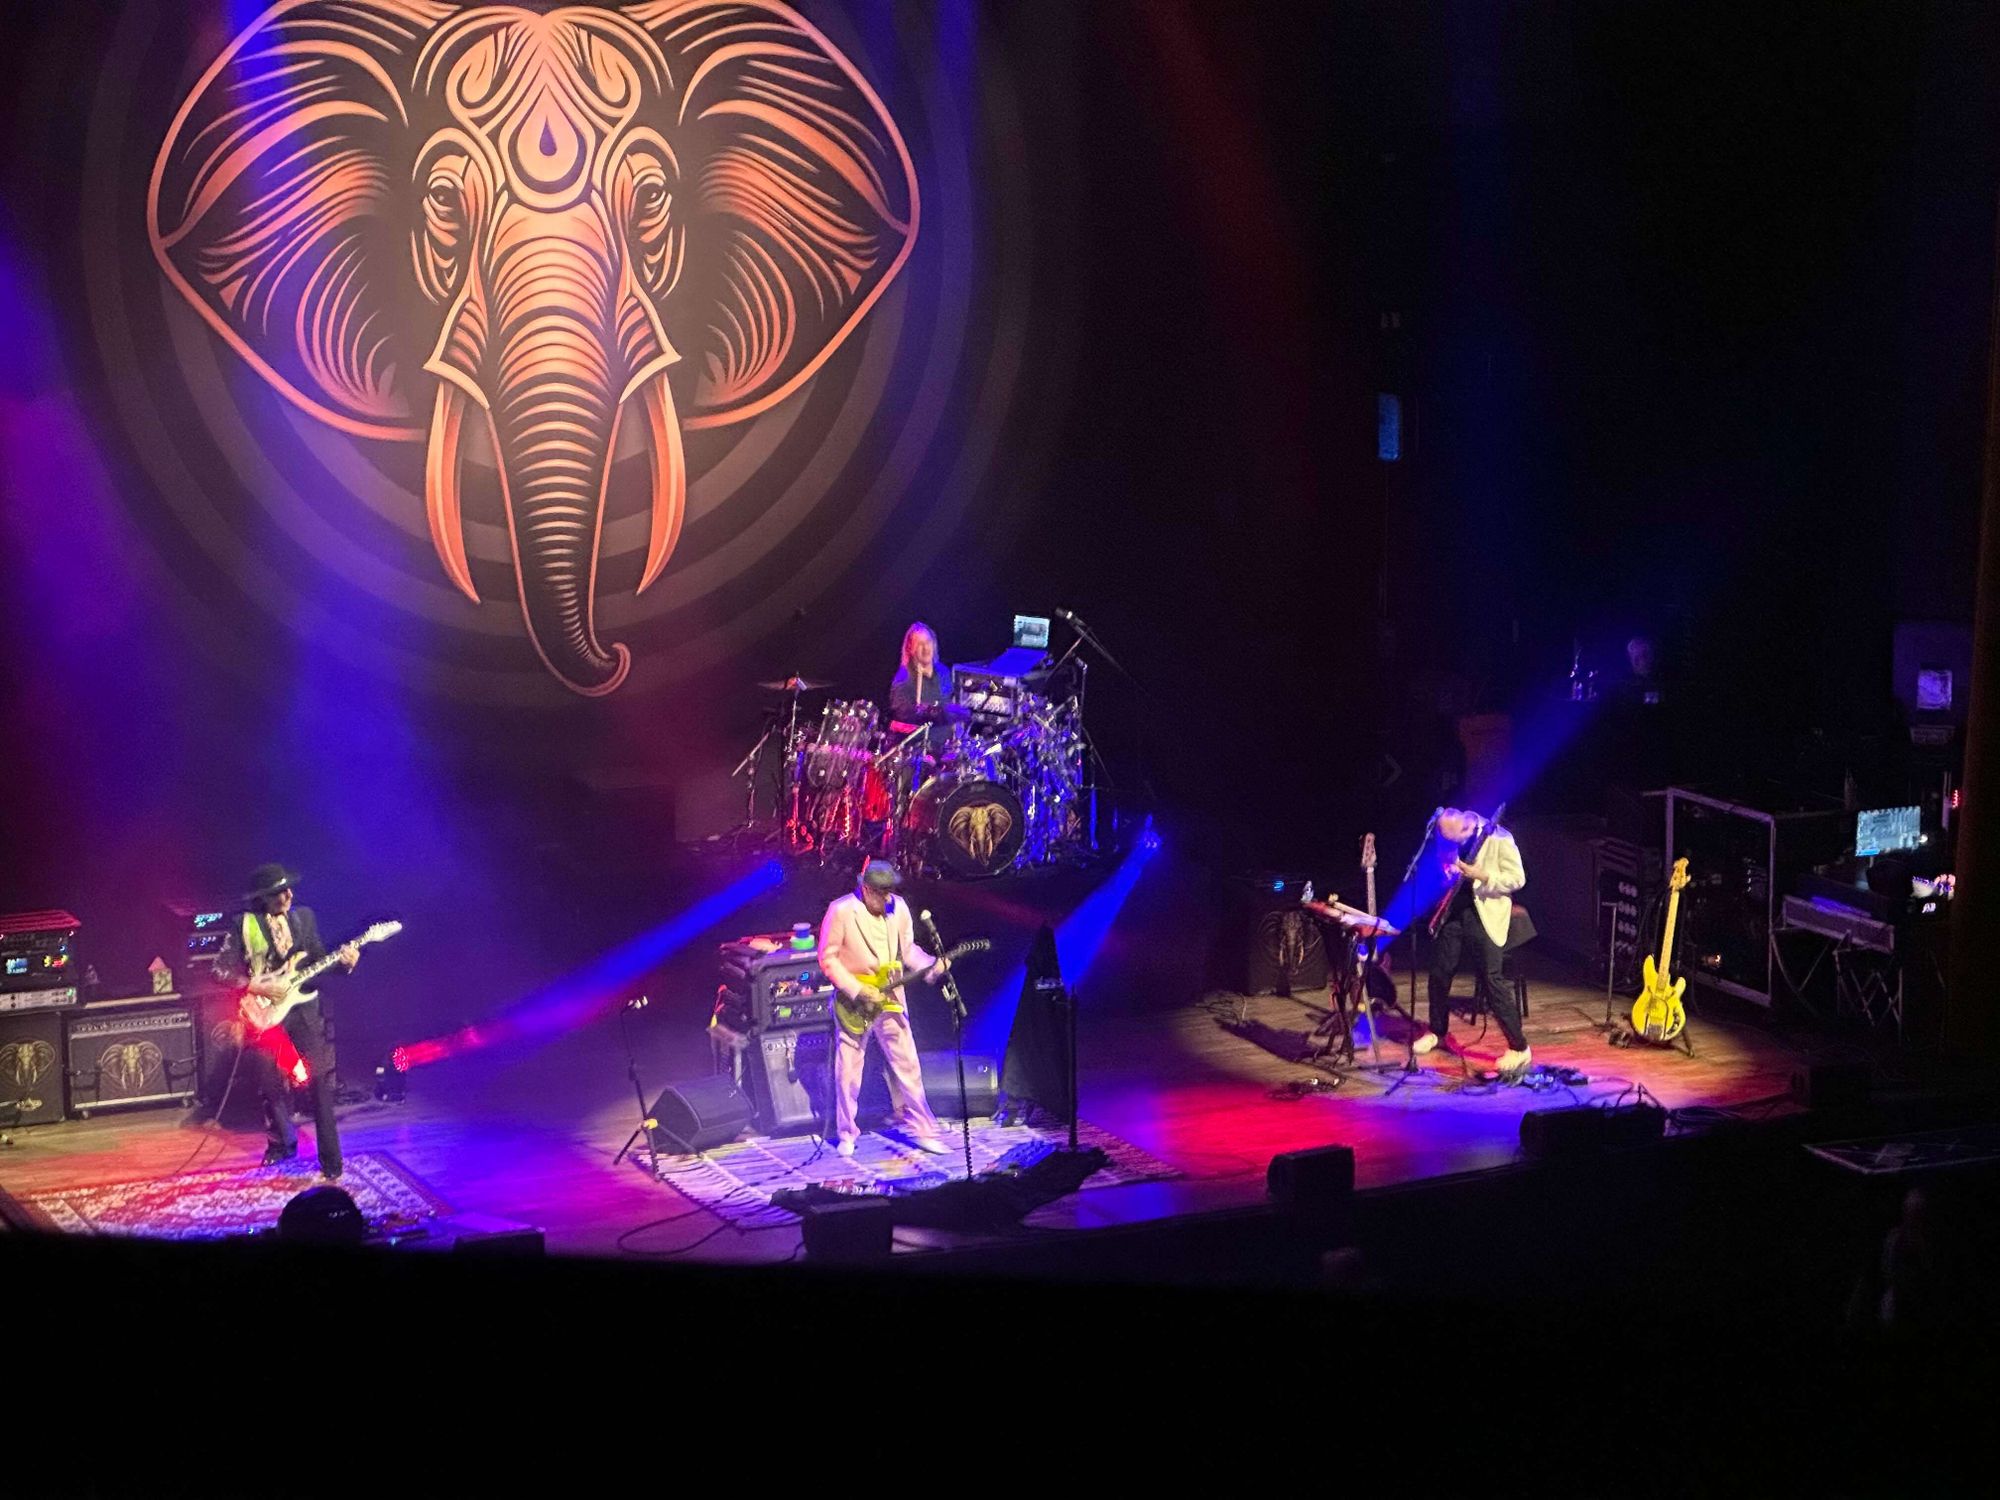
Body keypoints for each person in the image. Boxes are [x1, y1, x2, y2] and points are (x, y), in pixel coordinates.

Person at [219, 863, 357, 1179]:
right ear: (263, 897)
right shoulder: (244, 924)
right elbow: (219, 970)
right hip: (264, 1012)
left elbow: (320, 961)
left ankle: (332, 1163)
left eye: (289, 889)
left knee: (320, 1080)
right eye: (279, 892)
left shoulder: (304, 917)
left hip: (302, 1009)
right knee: (268, 1080)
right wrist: (257, 986)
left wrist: (344, 965)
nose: (288, 895)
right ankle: (282, 1143)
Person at [816, 860, 950, 1158]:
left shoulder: (899, 909)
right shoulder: (841, 911)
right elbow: (828, 958)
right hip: (855, 1001)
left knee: (908, 1065)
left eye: (890, 891)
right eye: (881, 892)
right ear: (866, 889)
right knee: (849, 1070)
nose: (888, 898)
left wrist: (931, 965)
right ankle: (847, 1133)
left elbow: (908, 950)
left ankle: (924, 1130)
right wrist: (857, 988)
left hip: (890, 997)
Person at [1412, 809, 1531, 1074]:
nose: (1451, 844)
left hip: (1485, 915)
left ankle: (1519, 1047)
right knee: (1439, 973)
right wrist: (1446, 870)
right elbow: (1444, 861)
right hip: (1455, 911)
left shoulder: (1499, 838)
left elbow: (1518, 879)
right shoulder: (1452, 832)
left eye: (1453, 840)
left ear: (1466, 828)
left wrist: (1482, 875)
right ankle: (1437, 1030)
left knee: (1492, 981)